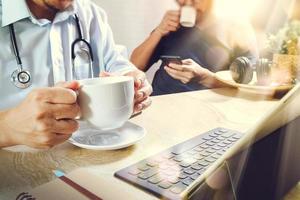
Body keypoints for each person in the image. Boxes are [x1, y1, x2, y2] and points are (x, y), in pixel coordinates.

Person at [0, 0, 152, 149]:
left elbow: (116, 64)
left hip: (89, 157)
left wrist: (131, 80)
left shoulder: (91, 14)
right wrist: (7, 128)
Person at [131, 0, 258, 96]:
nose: (186, 3)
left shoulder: (237, 28)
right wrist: (158, 31)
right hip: (160, 102)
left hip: (205, 109)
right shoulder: (172, 25)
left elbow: (250, 81)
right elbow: (134, 66)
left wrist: (206, 78)